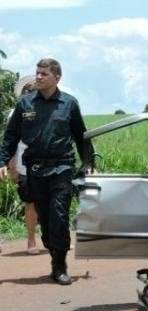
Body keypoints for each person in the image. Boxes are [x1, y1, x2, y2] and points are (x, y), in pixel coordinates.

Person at [0, 58, 93, 285]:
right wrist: (2, 161)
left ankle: (59, 266)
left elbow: (81, 136)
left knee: (59, 216)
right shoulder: (25, 104)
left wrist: (88, 162)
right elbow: (11, 136)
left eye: (44, 74)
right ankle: (54, 251)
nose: (39, 77)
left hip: (62, 167)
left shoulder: (69, 104)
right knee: (46, 220)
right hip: (35, 169)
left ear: (57, 77)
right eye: (37, 73)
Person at [6, 76, 39, 255]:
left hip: (50, 161)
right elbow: (10, 139)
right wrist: (9, 163)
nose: (30, 90)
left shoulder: (48, 108)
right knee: (30, 201)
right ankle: (31, 241)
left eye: (32, 88)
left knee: (53, 201)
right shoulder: (15, 112)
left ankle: (57, 239)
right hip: (24, 162)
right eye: (27, 88)